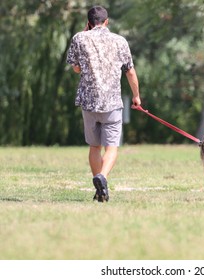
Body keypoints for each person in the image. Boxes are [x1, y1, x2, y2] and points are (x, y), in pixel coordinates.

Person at [66, 6, 141, 202]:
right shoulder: (119, 41)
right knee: (112, 147)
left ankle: (99, 187)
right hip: (112, 102)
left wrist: (85, 33)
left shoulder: (79, 38)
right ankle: (102, 177)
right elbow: (130, 72)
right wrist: (136, 96)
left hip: (88, 102)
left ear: (89, 23)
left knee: (94, 146)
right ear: (106, 21)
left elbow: (76, 68)